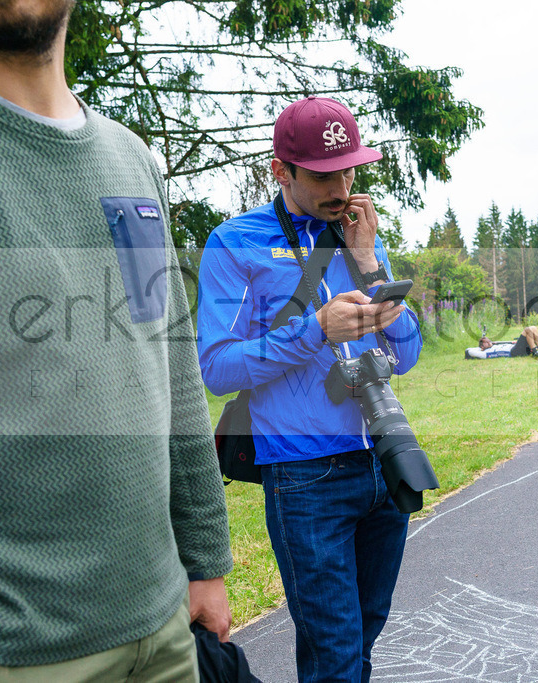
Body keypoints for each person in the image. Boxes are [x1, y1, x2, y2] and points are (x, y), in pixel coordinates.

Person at [0, 2, 234, 682]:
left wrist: (205, 561)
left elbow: (172, 364)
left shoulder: (131, 158)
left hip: (167, 630)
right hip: (17, 656)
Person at [197, 96, 423, 682]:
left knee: (362, 641)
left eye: (349, 171)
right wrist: (315, 330)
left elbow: (406, 354)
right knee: (335, 657)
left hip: (385, 459)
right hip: (305, 476)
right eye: (323, 176)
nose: (341, 188)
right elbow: (216, 367)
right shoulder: (234, 242)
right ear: (281, 170)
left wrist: (369, 261)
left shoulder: (359, 235)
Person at [464, 326, 538, 358]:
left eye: (488, 340)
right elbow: (469, 350)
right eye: (485, 342)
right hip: (513, 352)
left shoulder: (494, 346)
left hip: (515, 348)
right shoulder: (484, 353)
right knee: (527, 330)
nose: (488, 341)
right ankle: (536, 352)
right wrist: (480, 348)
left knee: (533, 328)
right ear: (482, 347)